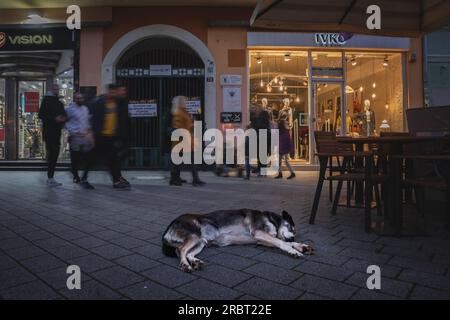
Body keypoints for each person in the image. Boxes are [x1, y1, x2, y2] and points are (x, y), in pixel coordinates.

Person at [91, 84, 130, 189]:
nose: (123, 93)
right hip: (102, 136)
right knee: (97, 159)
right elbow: (97, 119)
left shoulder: (116, 103)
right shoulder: (102, 102)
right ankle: (117, 179)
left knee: (113, 159)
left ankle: (117, 179)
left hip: (111, 136)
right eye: (120, 91)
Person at [169, 96, 205, 186]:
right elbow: (177, 127)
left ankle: (177, 179)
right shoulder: (179, 113)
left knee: (181, 161)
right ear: (180, 103)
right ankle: (178, 179)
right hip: (182, 141)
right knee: (183, 161)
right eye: (184, 101)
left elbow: (186, 124)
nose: (186, 102)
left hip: (186, 141)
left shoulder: (184, 112)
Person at [65, 92, 95, 189]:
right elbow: (65, 122)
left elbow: (87, 121)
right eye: (78, 98)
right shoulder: (70, 109)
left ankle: (83, 176)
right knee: (75, 158)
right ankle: (76, 176)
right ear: (74, 99)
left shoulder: (85, 109)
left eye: (81, 98)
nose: (80, 100)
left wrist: (89, 132)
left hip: (85, 136)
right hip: (75, 136)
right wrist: (72, 131)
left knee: (89, 156)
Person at [38, 84, 66, 187]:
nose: (56, 91)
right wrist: (55, 119)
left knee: (54, 155)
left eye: (57, 89)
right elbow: (41, 115)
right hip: (49, 133)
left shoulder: (59, 103)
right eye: (54, 89)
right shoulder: (46, 101)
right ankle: (50, 178)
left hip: (57, 132)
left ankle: (51, 177)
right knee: (52, 154)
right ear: (51, 90)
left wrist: (63, 118)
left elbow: (64, 115)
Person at [275, 115, 296, 180]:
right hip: (285, 148)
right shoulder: (286, 132)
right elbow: (289, 141)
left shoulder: (280, 132)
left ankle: (283, 173)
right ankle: (288, 173)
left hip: (282, 148)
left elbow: (280, 141)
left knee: (280, 161)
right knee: (284, 161)